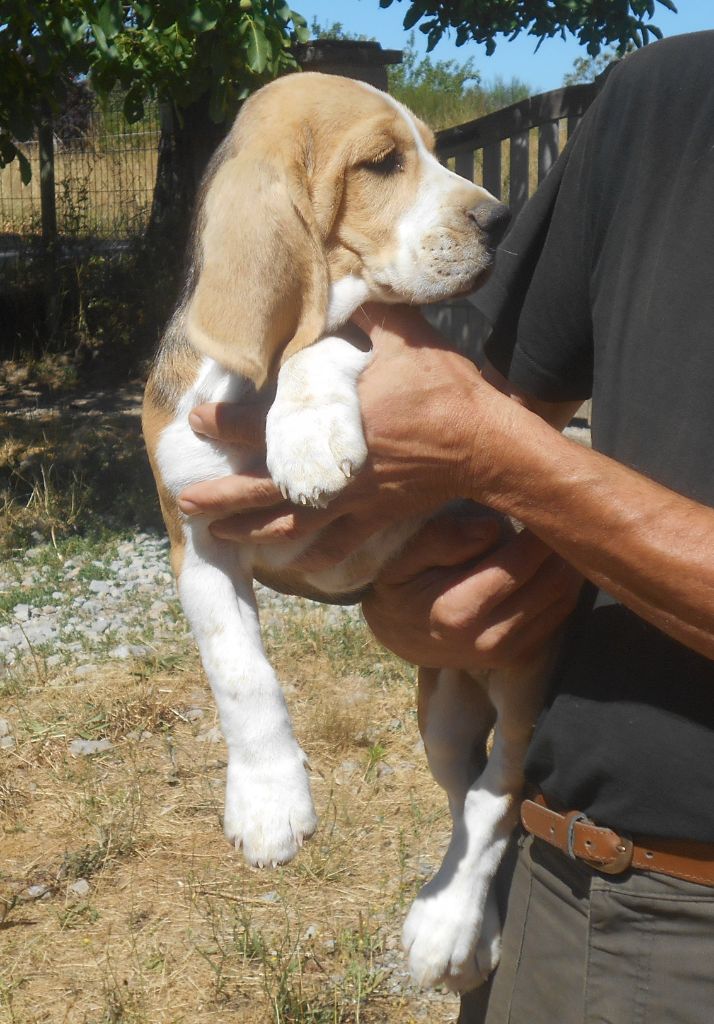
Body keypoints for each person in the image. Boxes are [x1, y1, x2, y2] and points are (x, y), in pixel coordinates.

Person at [177, 32, 714, 1023]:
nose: (476, 198)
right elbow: (456, 400)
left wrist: (499, 461)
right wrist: (372, 557)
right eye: (387, 161)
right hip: (565, 881)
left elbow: (480, 436)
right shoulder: (666, 98)